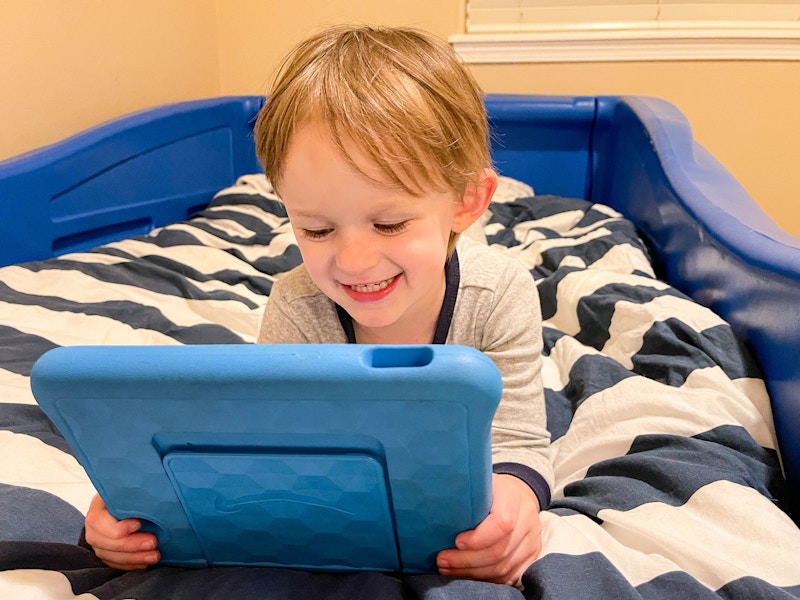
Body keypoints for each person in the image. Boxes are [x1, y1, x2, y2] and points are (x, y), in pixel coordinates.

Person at [83, 24, 552, 587]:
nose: (353, 261)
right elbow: (267, 445)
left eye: (390, 222)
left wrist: (514, 506)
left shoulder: (498, 293)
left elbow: (521, 441)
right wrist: (132, 508)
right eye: (316, 228)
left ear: (467, 202)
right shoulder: (298, 301)